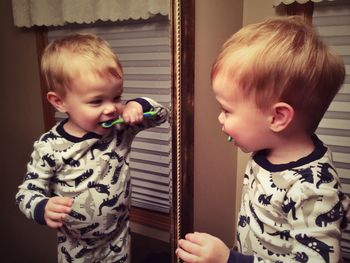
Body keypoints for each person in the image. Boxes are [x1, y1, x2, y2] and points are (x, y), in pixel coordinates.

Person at [176, 16, 349, 263]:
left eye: (227, 110)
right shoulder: (268, 150)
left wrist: (230, 260)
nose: (220, 119)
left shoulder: (312, 188)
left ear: (278, 117)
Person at [15, 33, 169, 263]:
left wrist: (137, 104)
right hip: (75, 249)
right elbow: (26, 192)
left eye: (116, 97)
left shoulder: (121, 130)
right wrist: (41, 206)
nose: (111, 109)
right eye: (96, 101)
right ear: (59, 102)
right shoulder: (49, 146)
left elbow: (162, 114)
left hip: (119, 241)